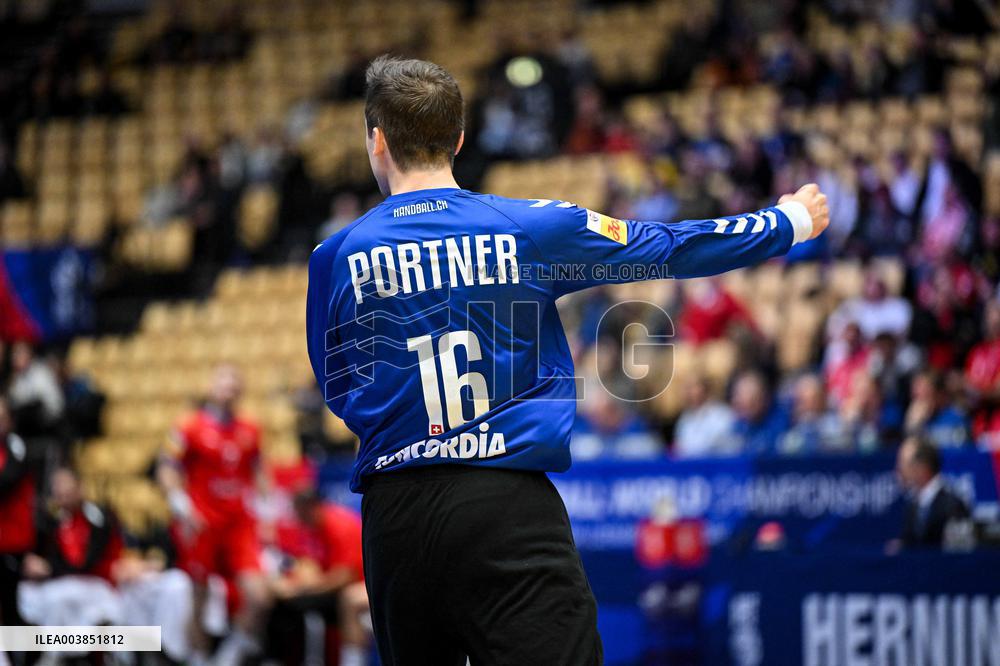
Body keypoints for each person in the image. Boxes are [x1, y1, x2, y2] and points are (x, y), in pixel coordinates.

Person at [306, 55, 829, 665]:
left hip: (395, 516)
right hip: (504, 500)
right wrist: (785, 222)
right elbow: (662, 249)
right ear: (458, 138)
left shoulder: (334, 255)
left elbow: (338, 386)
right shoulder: (529, 227)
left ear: (376, 142)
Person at [157, 364, 270, 665]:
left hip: (239, 526)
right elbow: (166, 466)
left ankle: (229, 656)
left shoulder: (251, 430)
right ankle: (200, 658)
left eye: (235, 382)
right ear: (211, 386)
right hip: (202, 524)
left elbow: (259, 473)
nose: (229, 387)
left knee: (260, 596)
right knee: (199, 600)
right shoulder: (188, 426)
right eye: (223, 381)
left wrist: (267, 512)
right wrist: (181, 506)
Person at [266, 489, 369, 666]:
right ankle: (277, 658)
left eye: (298, 511)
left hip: (354, 585)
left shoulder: (339, 526)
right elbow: (306, 564)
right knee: (278, 600)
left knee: (294, 603)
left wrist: (302, 589)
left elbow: (345, 576)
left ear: (311, 508)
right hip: (329, 586)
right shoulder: (309, 526)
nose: (296, 517)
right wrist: (292, 582)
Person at [18, 467, 123, 627]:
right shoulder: (52, 521)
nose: (62, 494)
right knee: (34, 594)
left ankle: (68, 648)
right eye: (58, 489)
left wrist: (50, 568)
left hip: (94, 582)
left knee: (62, 596)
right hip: (62, 582)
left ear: (79, 487)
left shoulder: (97, 518)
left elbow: (84, 562)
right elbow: (39, 553)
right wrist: (34, 564)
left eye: (66, 487)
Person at [894, 436, 971, 549]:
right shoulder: (913, 506)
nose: (899, 470)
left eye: (904, 463)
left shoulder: (952, 505)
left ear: (922, 467)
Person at [0, 398, 35, 626]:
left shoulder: (16, 445)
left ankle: (31, 654)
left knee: (13, 609)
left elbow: (7, 480)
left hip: (12, 542)